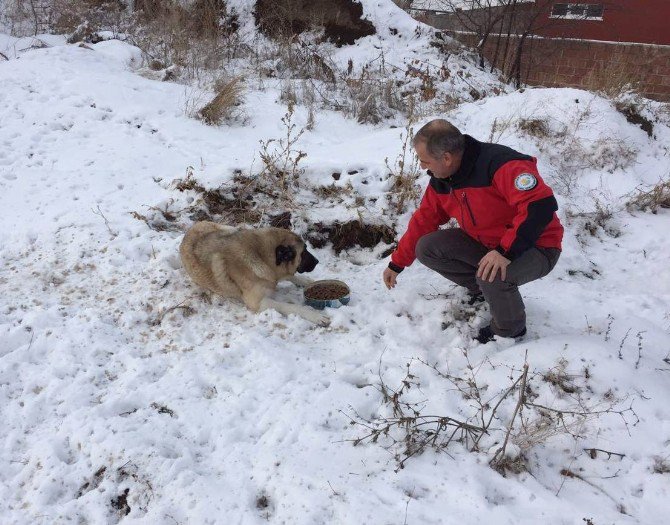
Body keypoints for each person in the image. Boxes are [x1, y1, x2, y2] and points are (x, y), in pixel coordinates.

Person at [382, 119, 563, 343]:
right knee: (427, 247)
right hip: (488, 243)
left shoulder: (502, 165)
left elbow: (539, 207)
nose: (422, 166)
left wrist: (505, 252)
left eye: (424, 160)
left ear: (446, 158)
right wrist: (397, 263)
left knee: (492, 273)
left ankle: (510, 330)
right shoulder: (443, 179)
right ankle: (483, 290)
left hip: (537, 246)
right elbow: (424, 220)